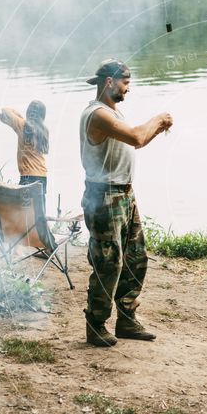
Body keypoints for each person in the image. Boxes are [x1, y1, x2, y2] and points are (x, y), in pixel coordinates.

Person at [80, 58, 173, 347]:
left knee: (136, 259)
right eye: (125, 82)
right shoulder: (97, 114)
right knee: (109, 264)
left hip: (124, 194)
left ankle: (127, 319)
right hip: (104, 196)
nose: (128, 88)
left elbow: (136, 139)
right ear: (109, 82)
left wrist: (156, 129)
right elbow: (135, 137)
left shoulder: (112, 111)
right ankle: (96, 325)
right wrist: (158, 119)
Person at [0, 100, 50, 194]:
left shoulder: (22, 124)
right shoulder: (44, 131)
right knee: (39, 206)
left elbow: (5, 110)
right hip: (42, 175)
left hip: (28, 176)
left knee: (24, 207)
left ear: (28, 112)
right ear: (42, 115)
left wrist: (19, 117)